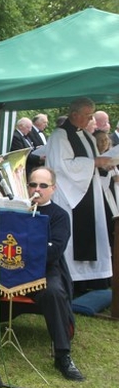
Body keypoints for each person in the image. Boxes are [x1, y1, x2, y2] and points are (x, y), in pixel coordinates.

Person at [0, 167, 84, 381]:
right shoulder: (14, 211)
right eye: (33, 184)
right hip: (11, 266)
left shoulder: (59, 216)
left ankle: (62, 355)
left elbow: (54, 251)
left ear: (53, 189)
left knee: (54, 292)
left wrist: (26, 252)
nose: (37, 189)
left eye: (43, 186)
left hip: (44, 270)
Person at [44, 97, 113, 294]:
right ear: (75, 115)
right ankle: (73, 281)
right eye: (88, 115)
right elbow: (61, 167)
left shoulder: (88, 136)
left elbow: (90, 162)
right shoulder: (60, 136)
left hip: (89, 192)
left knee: (93, 232)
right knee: (74, 237)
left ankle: (93, 280)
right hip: (70, 195)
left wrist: (103, 165)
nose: (91, 119)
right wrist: (94, 163)